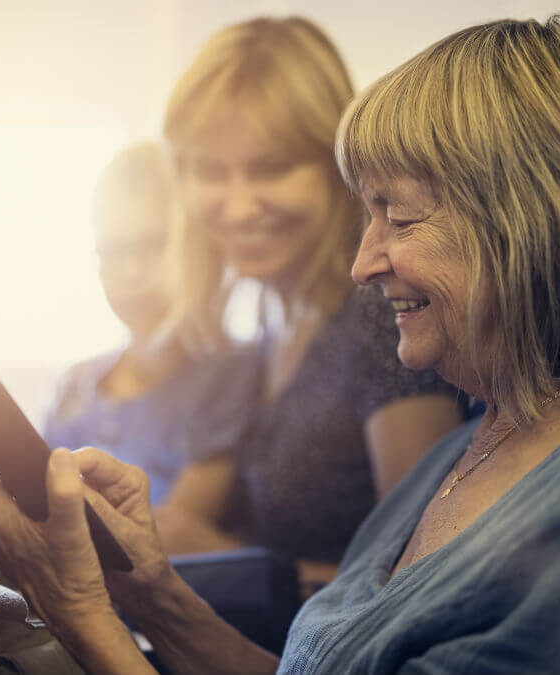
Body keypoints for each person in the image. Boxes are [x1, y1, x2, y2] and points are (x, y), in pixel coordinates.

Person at [0, 14, 560, 675]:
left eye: (399, 218)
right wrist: (153, 589)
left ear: (534, 221)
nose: (363, 263)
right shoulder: (481, 434)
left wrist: (80, 608)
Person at [151, 16, 464, 589]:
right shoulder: (272, 318)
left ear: (335, 168)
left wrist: (233, 564)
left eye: (271, 168)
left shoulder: (382, 311)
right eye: (211, 171)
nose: (239, 207)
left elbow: (417, 577)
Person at [42, 141, 257, 506]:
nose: (131, 272)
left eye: (154, 246)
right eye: (112, 251)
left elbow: (171, 532)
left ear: (198, 246)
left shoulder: (228, 376)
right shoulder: (75, 384)